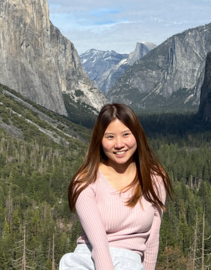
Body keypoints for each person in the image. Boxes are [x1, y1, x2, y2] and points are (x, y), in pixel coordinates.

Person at [60, 103, 172, 270]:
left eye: (126, 134)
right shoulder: (85, 181)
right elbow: (98, 244)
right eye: (110, 137)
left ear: (137, 135)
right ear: (100, 140)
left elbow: (152, 237)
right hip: (88, 260)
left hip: (130, 262)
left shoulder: (154, 178)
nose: (119, 144)